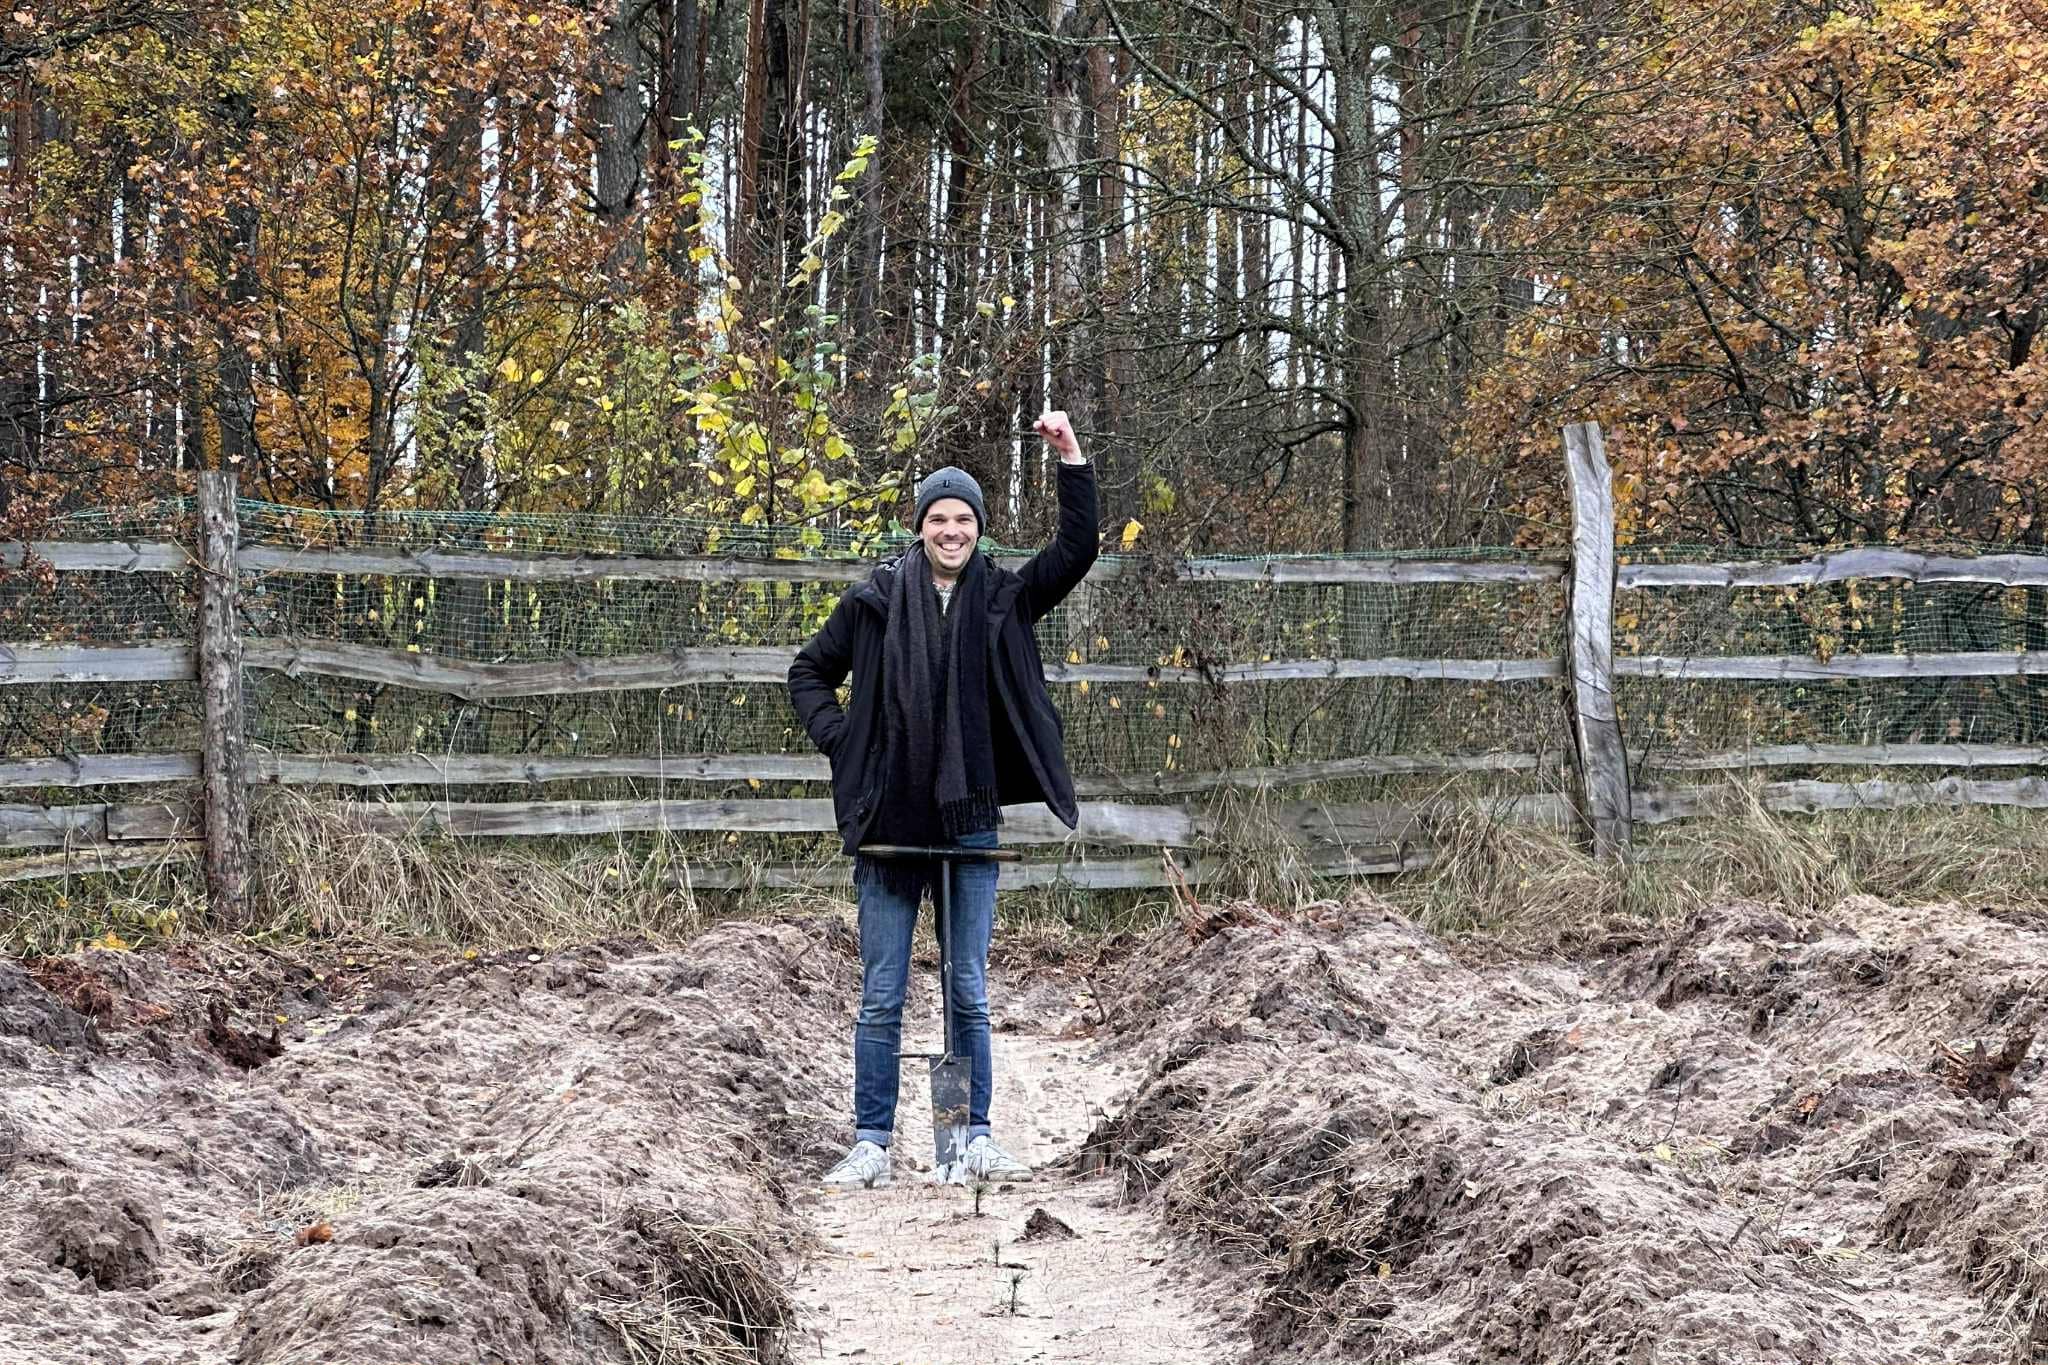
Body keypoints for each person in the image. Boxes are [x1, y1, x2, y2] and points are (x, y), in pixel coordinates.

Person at [787, 410, 1097, 1189]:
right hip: (890, 823)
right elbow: (807, 674)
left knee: (967, 988)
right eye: (938, 518)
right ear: (919, 525)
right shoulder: (875, 601)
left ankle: (964, 1138)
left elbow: (1076, 550)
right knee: (882, 992)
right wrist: (844, 741)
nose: (951, 530)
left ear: (979, 528)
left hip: (969, 822)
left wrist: (1070, 456)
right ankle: (871, 1142)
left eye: (963, 519)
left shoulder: (1004, 598)